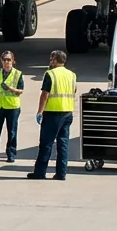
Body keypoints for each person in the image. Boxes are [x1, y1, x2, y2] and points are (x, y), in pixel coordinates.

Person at [29, 49, 77, 181]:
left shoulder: (50, 74)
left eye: (51, 59)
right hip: (67, 112)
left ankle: (40, 172)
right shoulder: (72, 75)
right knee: (63, 144)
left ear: (56, 60)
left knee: (46, 144)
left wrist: (40, 111)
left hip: (53, 113)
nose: (50, 61)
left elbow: (45, 94)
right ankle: (61, 173)